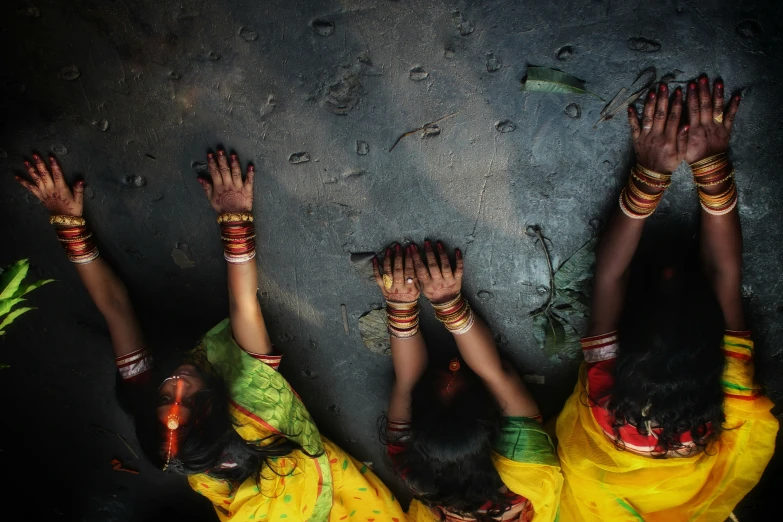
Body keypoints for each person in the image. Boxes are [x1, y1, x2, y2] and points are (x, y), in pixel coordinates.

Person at [15, 148, 408, 521]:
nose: (178, 383)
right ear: (215, 405)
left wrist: (67, 221)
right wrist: (236, 217)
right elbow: (243, 306)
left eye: (166, 397)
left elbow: (114, 306)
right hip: (280, 483)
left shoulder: (143, 385)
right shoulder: (252, 399)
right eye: (192, 398)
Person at [555, 76, 779, 521]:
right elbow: (723, 271)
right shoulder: (726, 380)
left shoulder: (604, 395)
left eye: (662, 281)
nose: (673, 268)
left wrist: (649, 177)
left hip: (604, 478)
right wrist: (711, 165)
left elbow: (610, 275)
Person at [371, 242, 562, 522]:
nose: (454, 364)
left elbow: (407, 380)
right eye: (465, 380)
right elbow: (496, 374)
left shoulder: (409, 463)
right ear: (492, 420)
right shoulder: (525, 462)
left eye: (437, 376)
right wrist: (448, 301)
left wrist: (400, 305)